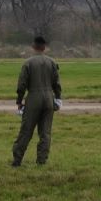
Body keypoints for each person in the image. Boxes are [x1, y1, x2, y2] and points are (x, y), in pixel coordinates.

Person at [11, 35, 62, 166]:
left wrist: (19, 101)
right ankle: (41, 160)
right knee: (45, 132)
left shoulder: (28, 63)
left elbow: (22, 84)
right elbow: (57, 83)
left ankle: (17, 160)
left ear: (33, 47)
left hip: (33, 97)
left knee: (26, 131)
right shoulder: (52, 62)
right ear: (45, 47)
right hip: (49, 98)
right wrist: (58, 98)